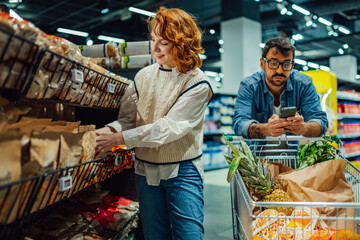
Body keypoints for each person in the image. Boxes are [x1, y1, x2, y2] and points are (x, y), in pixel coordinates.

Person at [95, 6, 213, 240]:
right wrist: (108, 131)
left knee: (189, 235)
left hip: (182, 171)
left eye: (164, 42)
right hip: (145, 170)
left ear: (182, 43)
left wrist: (119, 139)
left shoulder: (198, 83)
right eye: (153, 39)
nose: (155, 48)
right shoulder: (143, 77)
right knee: (154, 235)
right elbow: (127, 120)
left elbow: (168, 128)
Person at [233, 37, 328, 139]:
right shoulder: (249, 86)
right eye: (273, 63)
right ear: (262, 63)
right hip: (257, 153)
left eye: (286, 64)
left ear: (292, 66)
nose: (279, 70)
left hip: (294, 153)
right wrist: (267, 129)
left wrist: (303, 128)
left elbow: (321, 123)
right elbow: (239, 125)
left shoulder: (304, 85)